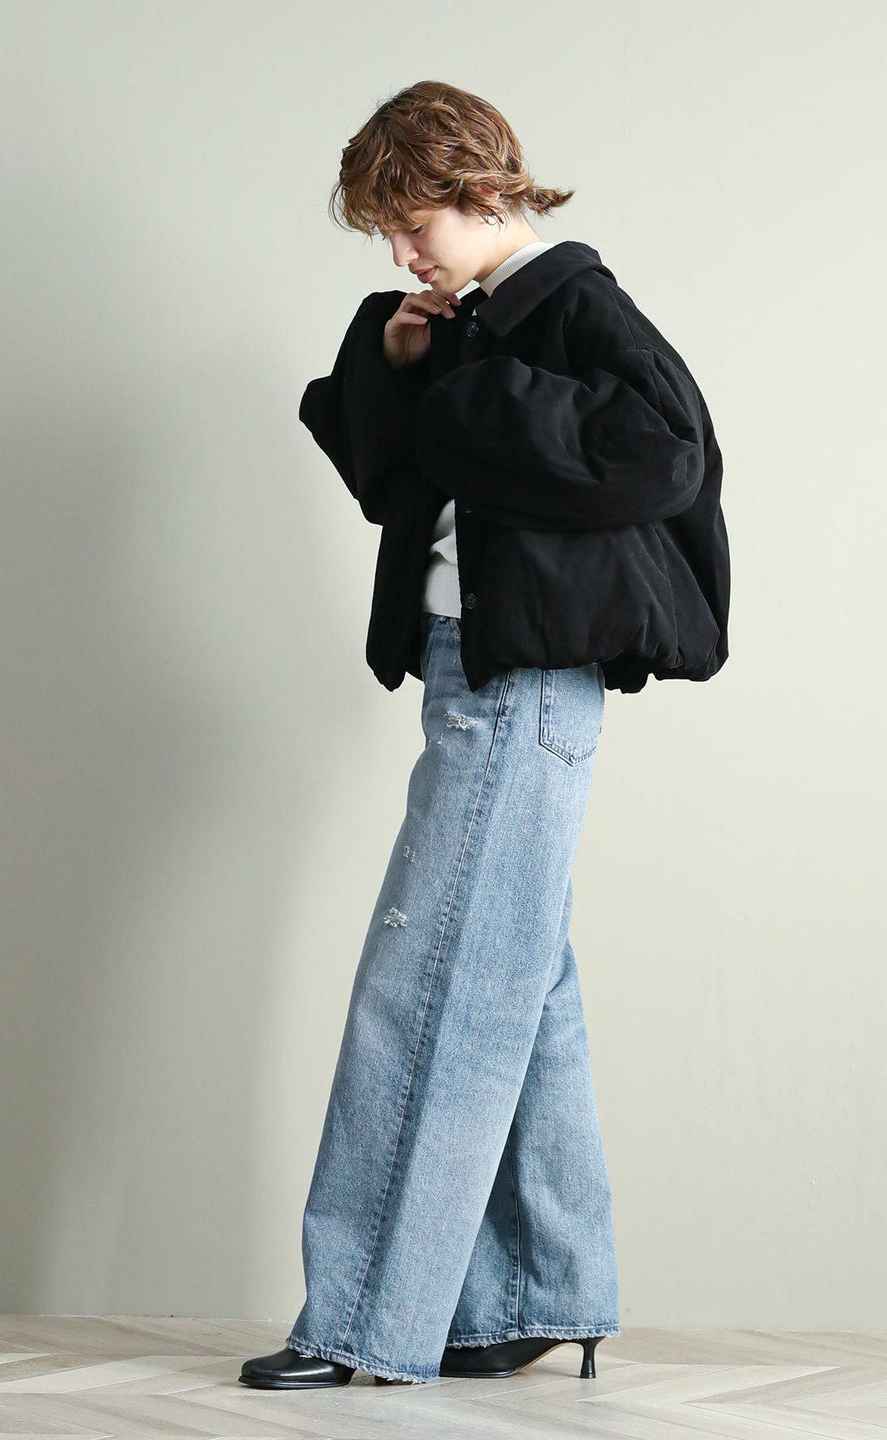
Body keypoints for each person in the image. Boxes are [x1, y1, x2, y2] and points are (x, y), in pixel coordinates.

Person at [240, 79, 730, 1390]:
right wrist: (406, 367)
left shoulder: (569, 301)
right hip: (476, 666)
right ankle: (537, 1289)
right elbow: (400, 487)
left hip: (528, 678)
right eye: (388, 233)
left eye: (414, 223)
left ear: (479, 187)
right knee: (516, 974)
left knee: (429, 981)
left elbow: (668, 451)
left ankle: (363, 1322)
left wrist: (470, 386)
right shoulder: (463, 321)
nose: (404, 253)